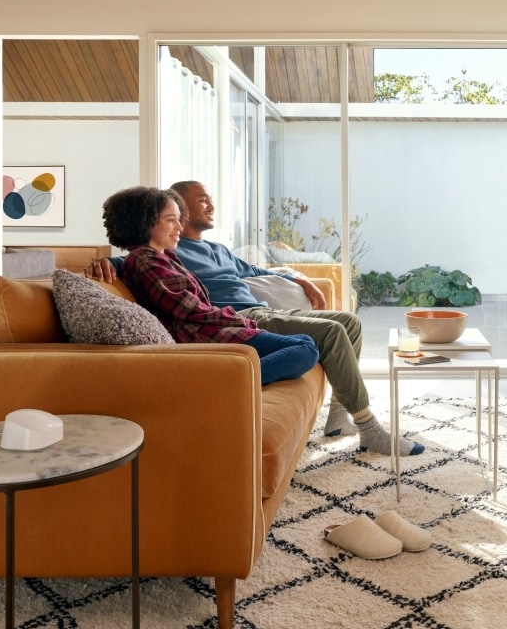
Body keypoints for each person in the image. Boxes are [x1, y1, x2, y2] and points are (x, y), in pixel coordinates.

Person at [91, 180, 424, 457]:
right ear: (171, 213)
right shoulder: (167, 252)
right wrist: (105, 263)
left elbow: (256, 270)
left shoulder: (216, 250)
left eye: (209, 200)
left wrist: (298, 278)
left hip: (259, 312)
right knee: (331, 334)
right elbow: (136, 263)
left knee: (348, 321)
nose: (210, 206)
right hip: (233, 320)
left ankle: (337, 418)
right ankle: (370, 428)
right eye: (200, 201)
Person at [101, 186, 319, 385]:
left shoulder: (164, 257)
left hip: (210, 331)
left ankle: (240, 375)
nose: (179, 226)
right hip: (199, 337)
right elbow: (188, 310)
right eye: (170, 220)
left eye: (179, 219)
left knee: (304, 342)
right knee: (305, 348)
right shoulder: (146, 260)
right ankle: (224, 383)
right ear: (145, 223)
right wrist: (238, 319)